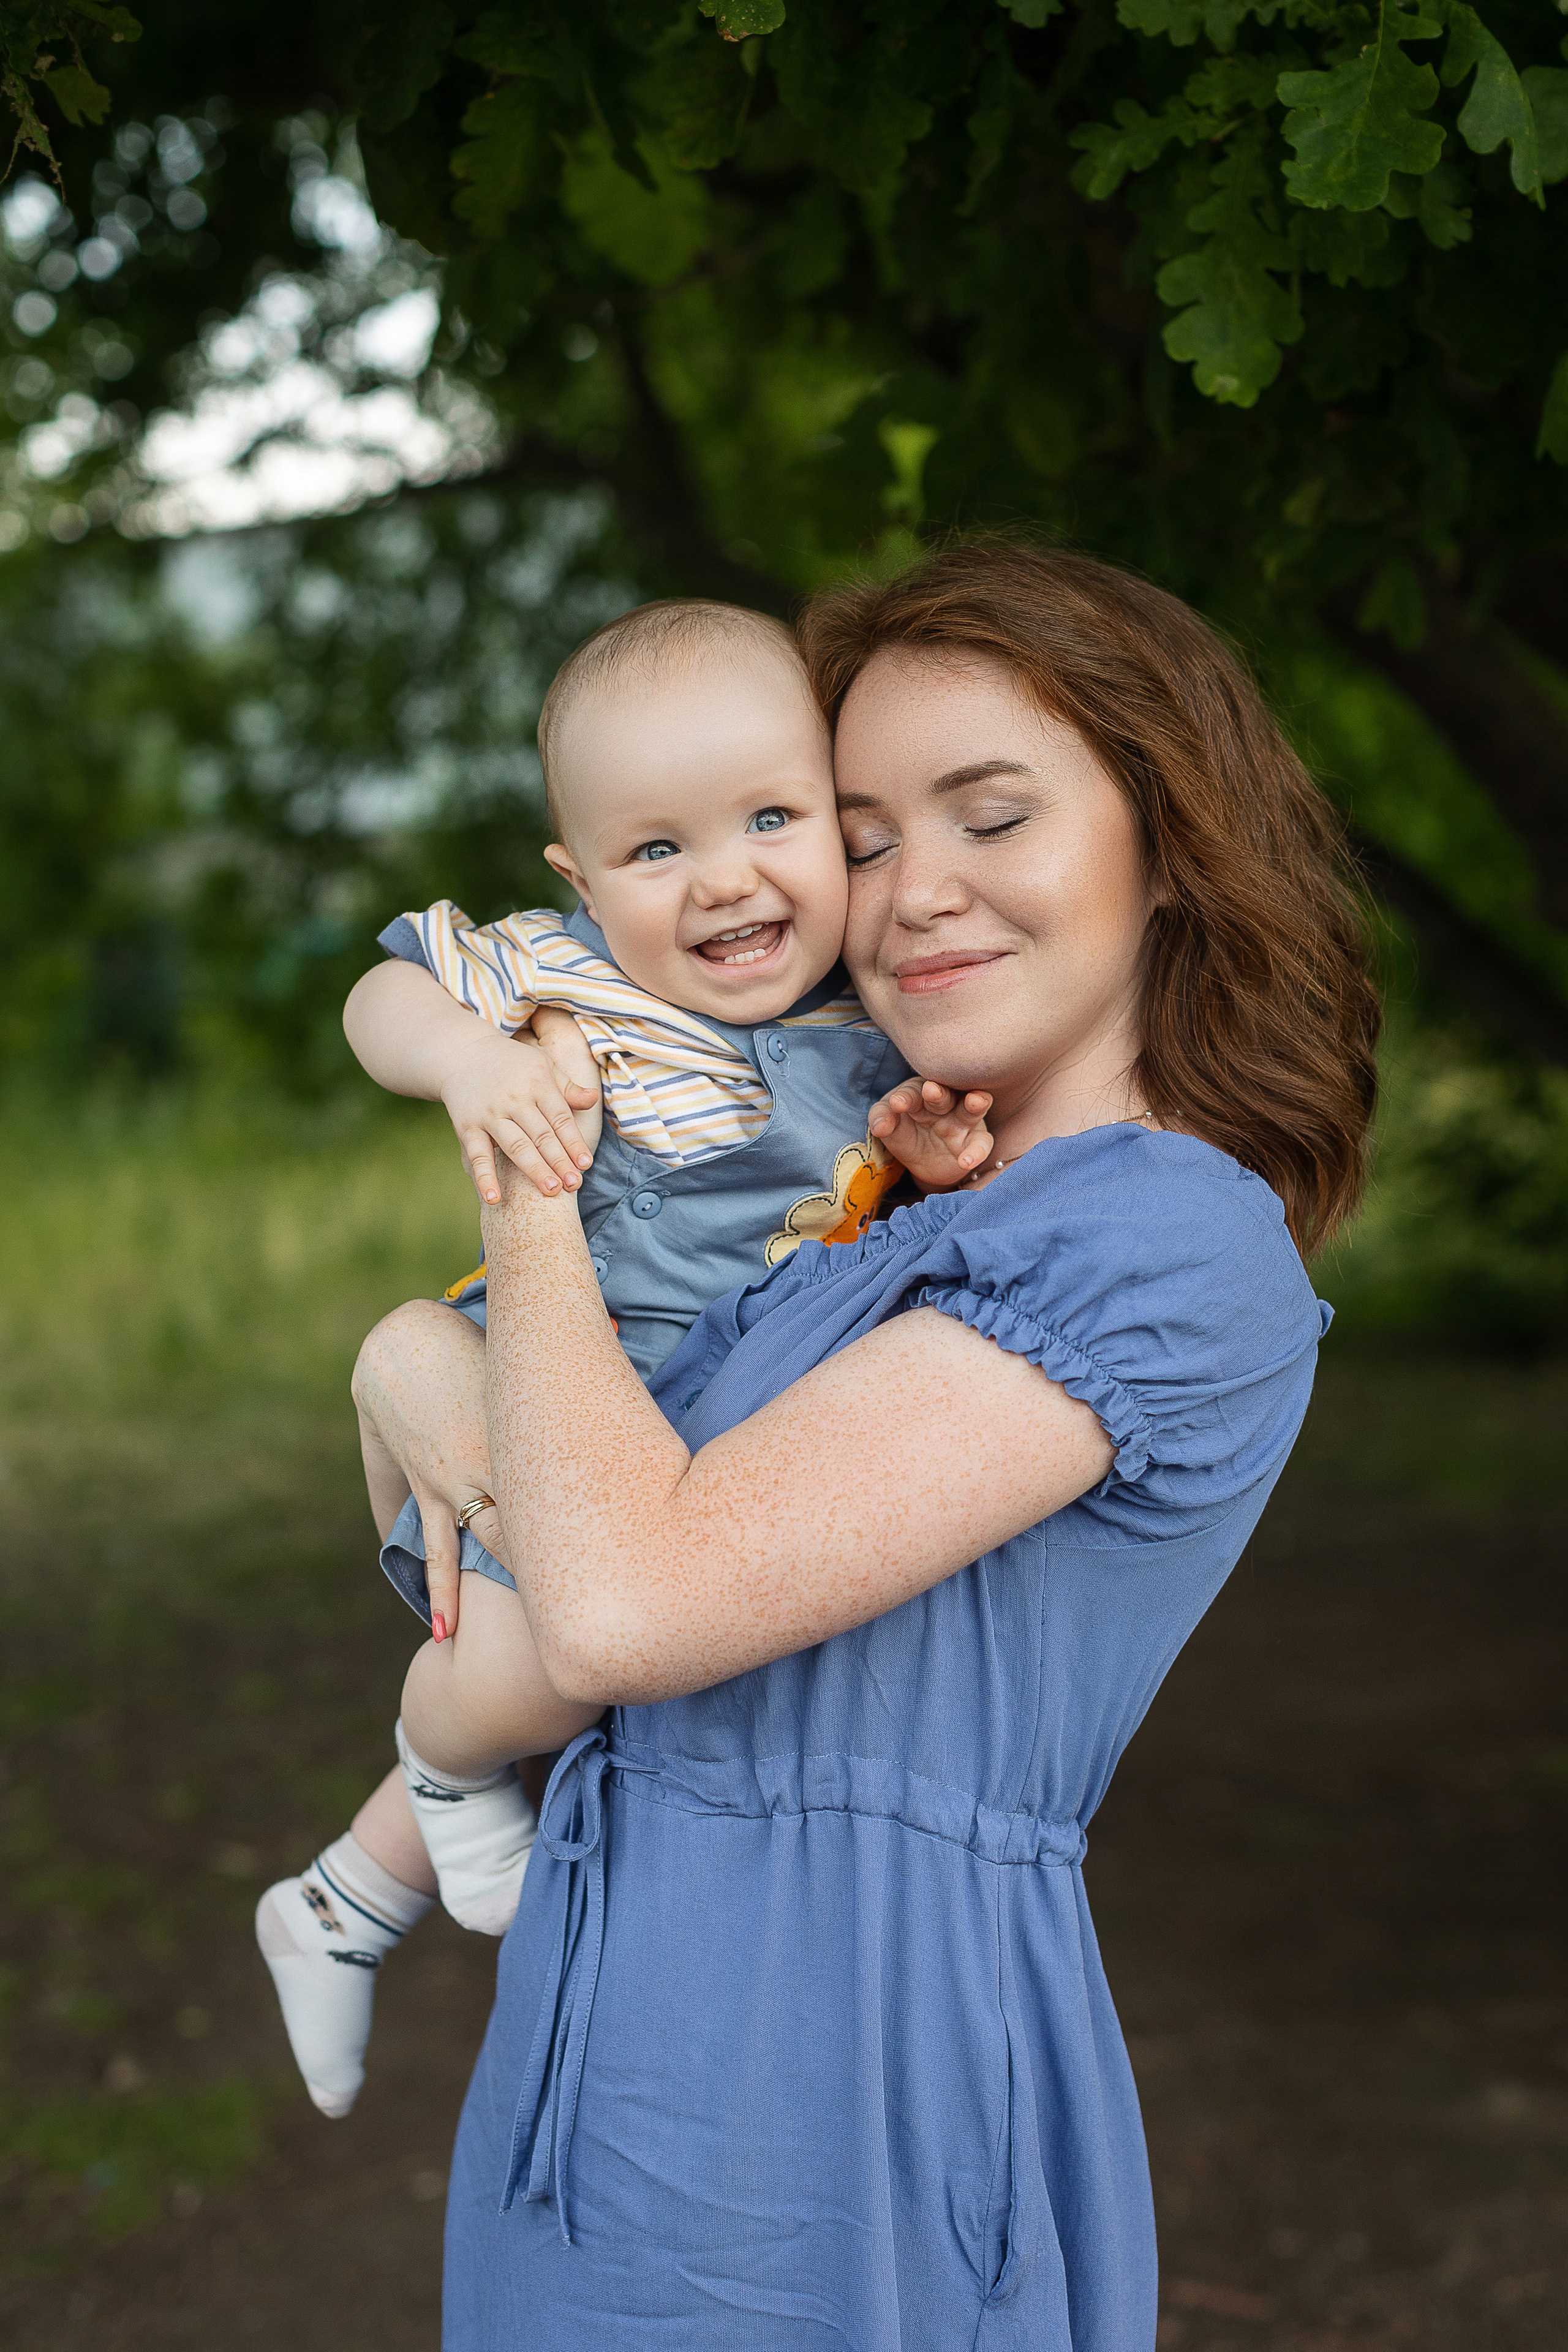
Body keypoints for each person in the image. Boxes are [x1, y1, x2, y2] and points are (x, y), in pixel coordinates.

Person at [353, 537, 1381, 2349]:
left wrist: (515, 1179)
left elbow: (619, 1606)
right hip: (600, 2062)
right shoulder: (867, 1209)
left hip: (827, 2102)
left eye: (993, 815)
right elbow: (568, 1509)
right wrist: (410, 1365)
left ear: (1165, 844)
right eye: (873, 832)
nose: (915, 893)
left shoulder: (1159, 1232)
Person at [255, 597, 994, 2119]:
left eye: (771, 818)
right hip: (560, 1386)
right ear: (579, 877)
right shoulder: (568, 975)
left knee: (632, 1658)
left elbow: (893, 1204)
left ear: (840, 831)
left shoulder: (877, 1013)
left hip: (719, 1428)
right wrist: (469, 1059)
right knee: (545, 1665)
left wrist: (925, 1151)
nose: (723, 876)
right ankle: (444, 1780)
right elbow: (376, 991)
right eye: (654, 850)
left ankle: (337, 1900)